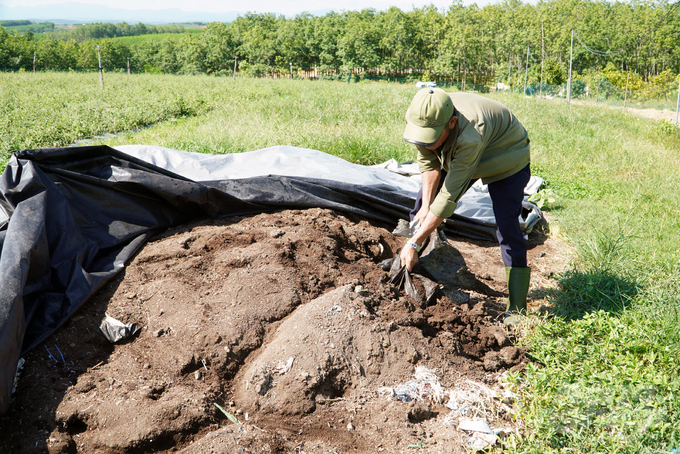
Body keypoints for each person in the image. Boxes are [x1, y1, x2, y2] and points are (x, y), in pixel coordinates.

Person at [399, 88, 531, 324]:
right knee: (422, 204)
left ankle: (517, 309)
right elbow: (429, 165)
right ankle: (417, 268)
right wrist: (425, 206)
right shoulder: (422, 117)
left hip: (505, 155)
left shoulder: (470, 135)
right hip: (461, 149)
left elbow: (449, 197)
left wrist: (414, 240)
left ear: (451, 123)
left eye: (431, 137)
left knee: (507, 225)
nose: (425, 142)